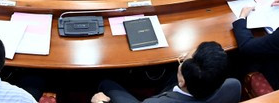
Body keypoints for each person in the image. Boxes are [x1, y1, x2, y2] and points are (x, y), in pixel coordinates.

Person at [92, 41, 240, 103]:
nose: (181, 60)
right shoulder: (234, 86)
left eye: (183, 62)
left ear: (182, 81)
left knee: (106, 84)